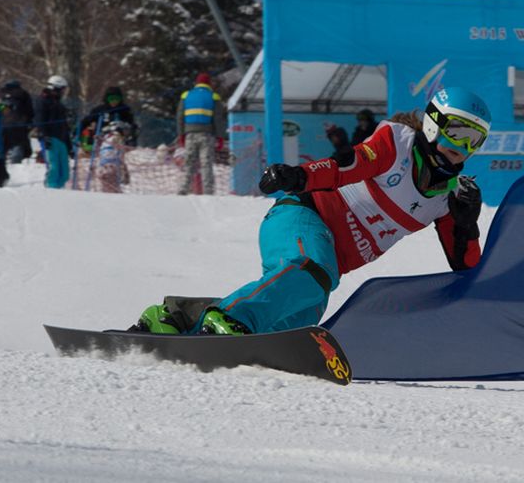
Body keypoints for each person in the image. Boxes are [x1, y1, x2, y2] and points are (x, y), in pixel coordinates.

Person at [132, 87, 490, 335]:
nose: (463, 146)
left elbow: (466, 268)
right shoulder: (396, 144)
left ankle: (174, 318)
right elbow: (348, 165)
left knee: (296, 321)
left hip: (325, 265)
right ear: (433, 123)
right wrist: (298, 176)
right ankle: (227, 318)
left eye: (475, 140)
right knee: (312, 269)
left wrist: (466, 225)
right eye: (458, 131)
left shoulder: (450, 197)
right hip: (301, 217)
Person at [175, 73, 226, 195]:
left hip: (190, 134)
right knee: (206, 164)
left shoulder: (186, 96)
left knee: (189, 163)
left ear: (196, 83)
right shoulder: (213, 97)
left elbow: (179, 117)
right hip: (206, 135)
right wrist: (220, 137)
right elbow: (218, 119)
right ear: (209, 83)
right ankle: (208, 191)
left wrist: (181, 134)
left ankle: (184, 190)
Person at [31, 75, 72, 189]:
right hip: (50, 138)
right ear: (56, 88)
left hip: (62, 139)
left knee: (65, 173)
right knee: (54, 168)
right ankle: (51, 190)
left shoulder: (59, 104)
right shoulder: (43, 101)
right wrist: (44, 135)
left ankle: (59, 190)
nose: (64, 92)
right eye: (62, 89)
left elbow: (64, 125)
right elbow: (40, 119)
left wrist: (69, 144)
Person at [0, 79, 35, 163]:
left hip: (3, 125)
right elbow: (29, 111)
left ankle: (0, 164)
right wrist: (30, 123)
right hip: (19, 126)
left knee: (3, 147)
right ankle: (16, 165)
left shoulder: (1, 94)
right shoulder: (23, 94)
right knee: (18, 145)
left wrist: (6, 113)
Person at [95, 121, 131, 193]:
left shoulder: (106, 137)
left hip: (102, 167)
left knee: (106, 191)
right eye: (124, 130)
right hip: (112, 168)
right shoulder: (117, 137)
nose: (125, 133)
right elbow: (119, 155)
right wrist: (125, 171)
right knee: (114, 193)